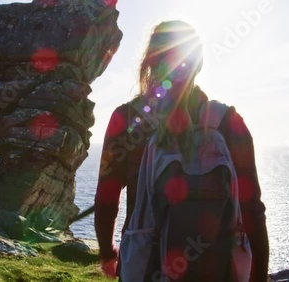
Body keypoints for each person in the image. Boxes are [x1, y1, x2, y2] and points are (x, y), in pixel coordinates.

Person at [94, 20, 269, 281]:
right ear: (198, 65)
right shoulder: (229, 123)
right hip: (217, 270)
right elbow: (252, 210)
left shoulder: (126, 119)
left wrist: (108, 254)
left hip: (145, 269)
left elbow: (106, 201)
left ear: (150, 62)